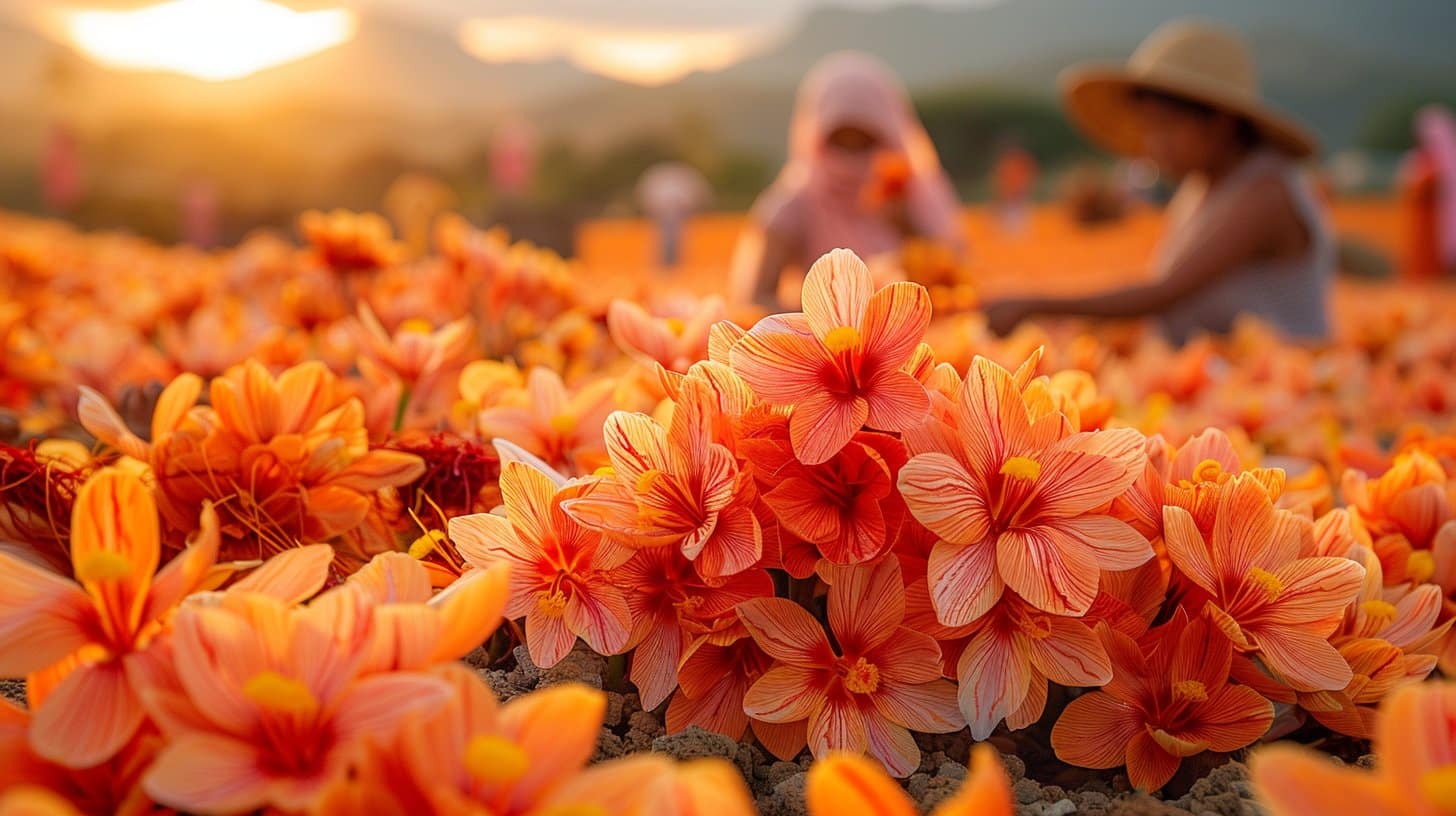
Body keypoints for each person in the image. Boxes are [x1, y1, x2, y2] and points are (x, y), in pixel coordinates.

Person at [984, 20, 1334, 344]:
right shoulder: (1201, 185)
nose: (1153, 143)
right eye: (1148, 126)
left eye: (1166, 124)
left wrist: (1033, 304)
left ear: (1219, 121)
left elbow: (1164, 293)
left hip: (1284, 385)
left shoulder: (1265, 193)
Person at [730, 52, 962, 309]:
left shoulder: (913, 198)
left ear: (889, 135)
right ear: (817, 138)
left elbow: (958, 282)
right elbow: (754, 299)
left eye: (865, 141)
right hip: (824, 341)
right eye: (840, 140)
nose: (851, 159)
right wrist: (823, 320)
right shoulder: (795, 205)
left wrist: (906, 226)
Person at [1399, 106, 1456, 281]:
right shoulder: (1420, 158)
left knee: (1433, 256)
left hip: (1436, 219)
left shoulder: (1445, 163)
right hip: (1421, 219)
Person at [637, 161, 712, 270]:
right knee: (661, 241)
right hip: (663, 215)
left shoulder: (681, 177)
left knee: (679, 240)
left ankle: (676, 264)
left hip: (679, 215)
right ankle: (662, 263)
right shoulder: (680, 176)